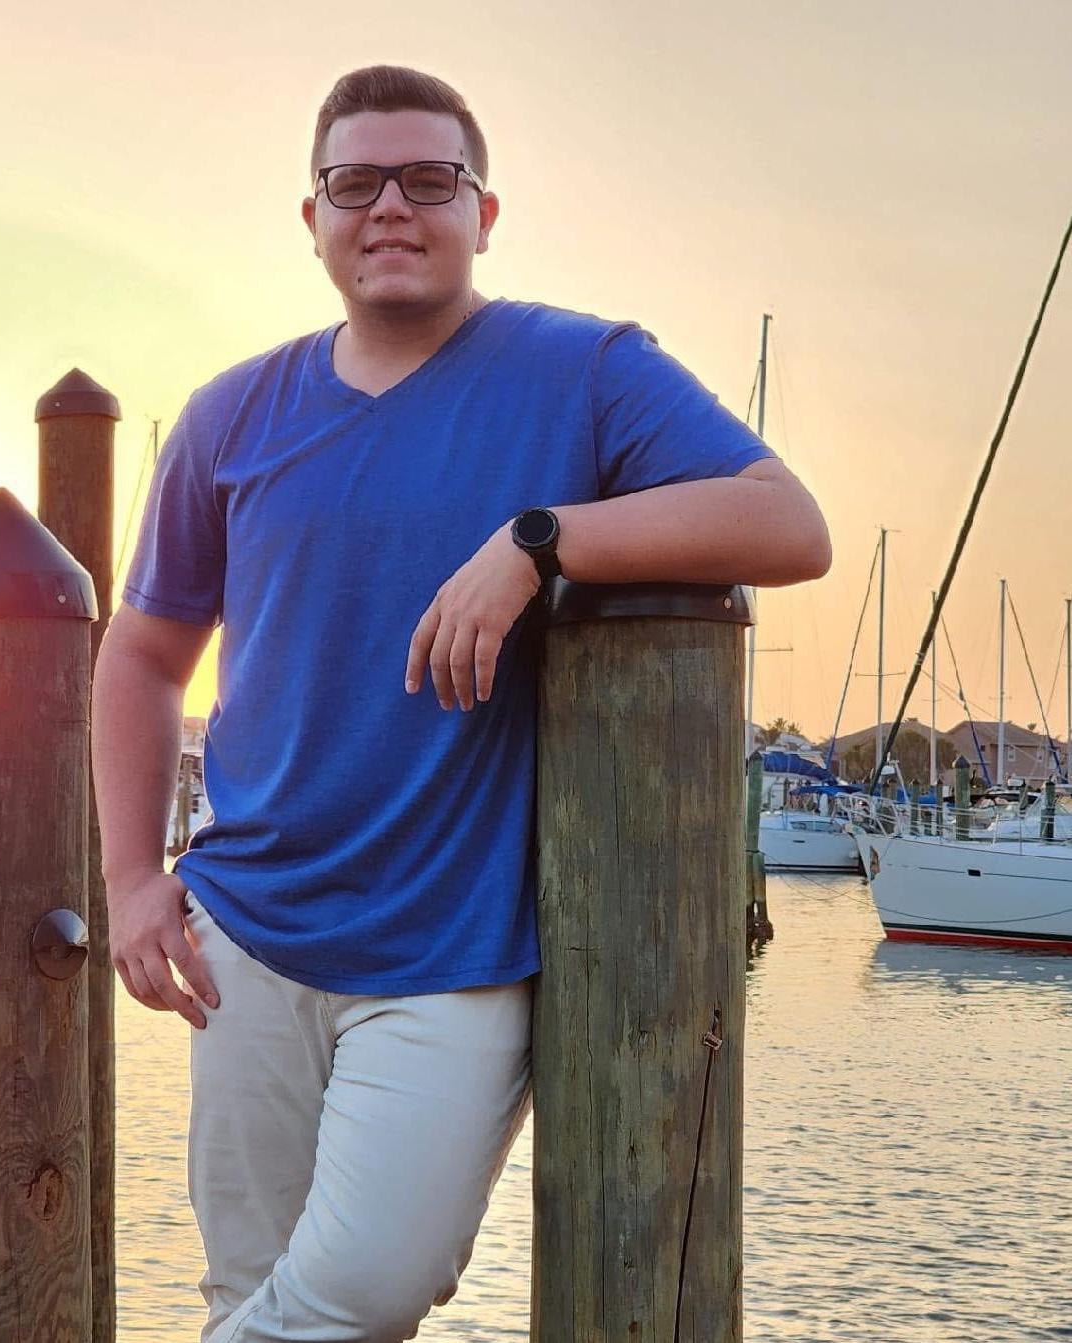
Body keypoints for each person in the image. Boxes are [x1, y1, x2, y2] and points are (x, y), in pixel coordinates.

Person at [92, 64, 830, 1343]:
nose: (390, 205)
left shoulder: (582, 370)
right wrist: (130, 879)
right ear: (312, 218)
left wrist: (542, 540)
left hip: (453, 948)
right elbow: (142, 655)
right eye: (354, 182)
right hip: (245, 931)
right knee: (249, 1291)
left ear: (482, 212)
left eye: (428, 179)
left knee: (368, 1287)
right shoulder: (229, 417)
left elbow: (788, 524)